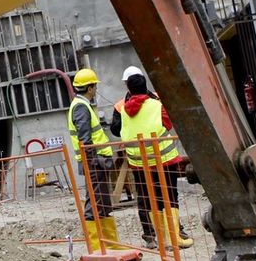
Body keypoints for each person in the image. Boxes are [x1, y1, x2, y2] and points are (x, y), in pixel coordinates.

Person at [110, 65, 192, 250]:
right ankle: (165, 236)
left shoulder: (124, 108)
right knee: (168, 195)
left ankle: (166, 236)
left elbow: (119, 131)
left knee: (149, 197)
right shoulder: (155, 103)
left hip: (139, 162)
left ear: (128, 85)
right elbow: (167, 124)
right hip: (162, 159)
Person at [67, 68, 118, 248]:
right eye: (94, 86)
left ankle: (109, 244)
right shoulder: (81, 107)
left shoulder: (80, 105)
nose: (96, 89)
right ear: (89, 88)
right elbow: (85, 139)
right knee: (95, 201)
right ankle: (98, 246)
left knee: (102, 201)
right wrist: (92, 162)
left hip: (95, 161)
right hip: (94, 161)